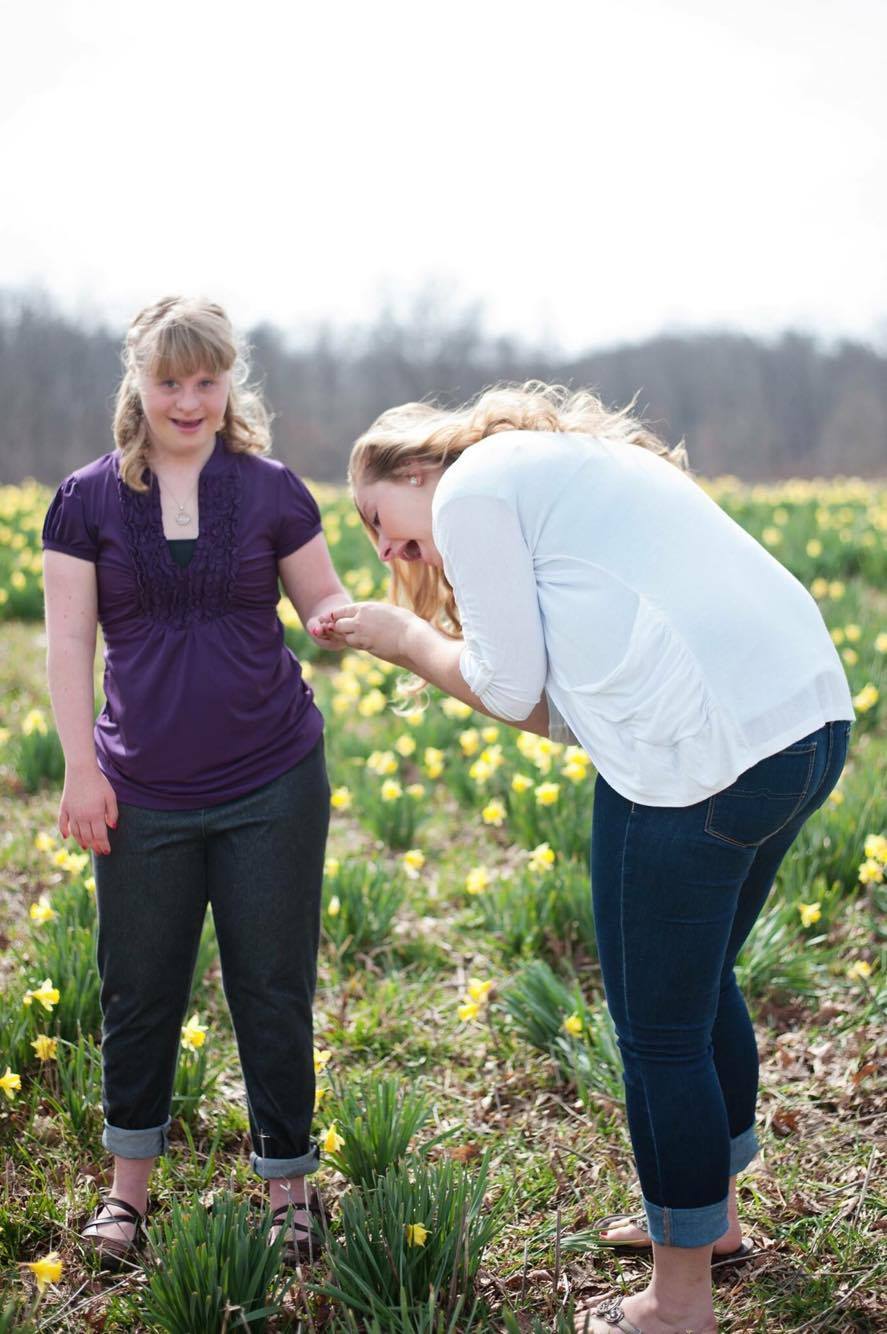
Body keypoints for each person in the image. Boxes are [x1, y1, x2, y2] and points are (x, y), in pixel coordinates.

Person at [316, 382, 854, 1334]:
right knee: (690, 990)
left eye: (380, 521)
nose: (390, 551)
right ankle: (706, 1222)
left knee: (657, 1035)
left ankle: (678, 1299)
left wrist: (408, 641)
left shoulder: (474, 488)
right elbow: (564, 709)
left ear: (416, 469)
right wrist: (441, 646)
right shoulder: (563, 468)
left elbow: (504, 682)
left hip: (705, 757)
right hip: (804, 724)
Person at [41, 296, 350, 1267]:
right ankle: (127, 1197)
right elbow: (66, 646)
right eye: (169, 379)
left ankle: (290, 1190)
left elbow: (325, 607)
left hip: (274, 776)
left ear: (230, 383)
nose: (189, 398)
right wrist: (81, 769)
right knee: (139, 989)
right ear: (137, 381)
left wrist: (388, 600)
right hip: (140, 789)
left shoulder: (271, 492)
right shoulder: (84, 501)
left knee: (271, 984)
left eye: (206, 379)